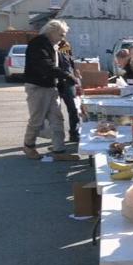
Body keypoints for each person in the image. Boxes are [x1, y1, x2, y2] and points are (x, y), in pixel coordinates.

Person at [21, 19, 79, 161]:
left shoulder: (54, 45)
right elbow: (45, 65)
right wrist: (67, 76)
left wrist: (61, 82)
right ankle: (29, 146)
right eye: (61, 34)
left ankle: (59, 150)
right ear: (51, 32)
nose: (63, 38)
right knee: (37, 119)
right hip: (38, 87)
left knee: (57, 119)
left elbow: (57, 65)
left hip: (50, 87)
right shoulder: (38, 44)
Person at [56, 38, 80, 143]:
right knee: (56, 112)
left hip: (69, 82)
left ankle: (74, 133)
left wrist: (76, 72)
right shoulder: (54, 50)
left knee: (73, 109)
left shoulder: (66, 49)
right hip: (59, 82)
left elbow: (71, 62)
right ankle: (58, 137)